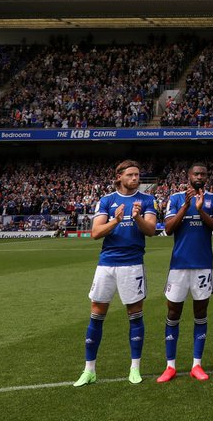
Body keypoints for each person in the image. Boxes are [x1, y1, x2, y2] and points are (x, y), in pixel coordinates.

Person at [73, 160, 158, 387]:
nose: (135, 178)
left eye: (137, 175)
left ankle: (135, 368)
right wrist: (116, 220)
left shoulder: (148, 200)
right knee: (97, 312)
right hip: (107, 264)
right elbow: (96, 232)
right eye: (130, 175)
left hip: (132, 264)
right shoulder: (107, 201)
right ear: (119, 176)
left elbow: (151, 230)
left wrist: (137, 217)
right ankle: (89, 370)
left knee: (135, 313)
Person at [157, 162, 213, 383]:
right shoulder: (176, 199)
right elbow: (168, 229)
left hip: (203, 265)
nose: (199, 176)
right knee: (173, 312)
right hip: (179, 266)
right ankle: (170, 366)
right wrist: (186, 207)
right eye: (196, 173)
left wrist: (201, 209)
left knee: (200, 312)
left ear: (207, 177)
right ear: (188, 176)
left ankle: (197, 364)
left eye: (203, 173)